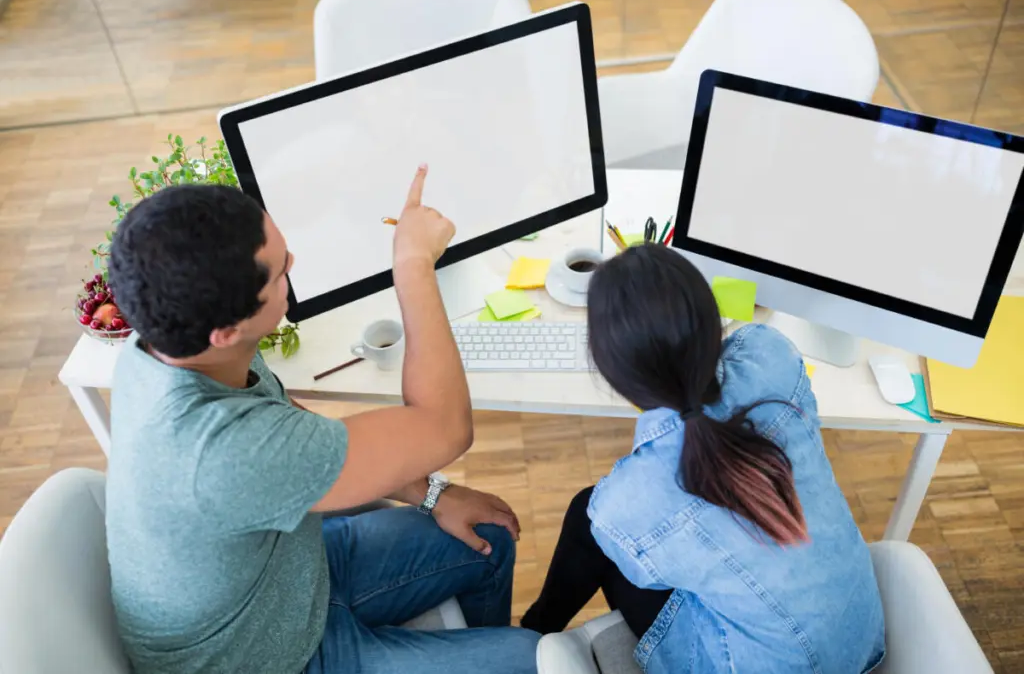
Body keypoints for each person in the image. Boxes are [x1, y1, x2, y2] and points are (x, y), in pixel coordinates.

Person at [105, 165, 541, 674]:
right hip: (264, 659)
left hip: (291, 577)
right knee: (530, 659)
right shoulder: (223, 451)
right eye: (279, 271)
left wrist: (434, 494)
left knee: (490, 538)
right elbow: (447, 428)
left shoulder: (171, 345)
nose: (293, 263)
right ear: (227, 331)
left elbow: (289, 426)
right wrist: (413, 263)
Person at [522, 244, 886, 674]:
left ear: (611, 373)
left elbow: (645, 573)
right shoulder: (773, 356)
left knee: (587, 519)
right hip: (861, 637)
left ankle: (528, 641)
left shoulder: (623, 505)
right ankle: (532, 633)